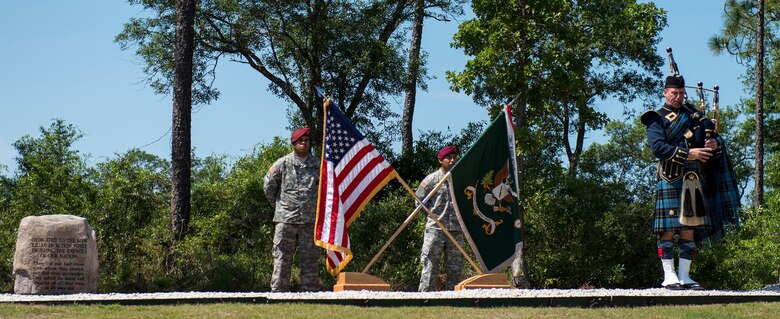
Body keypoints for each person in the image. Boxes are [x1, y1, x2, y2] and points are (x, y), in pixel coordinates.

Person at [641, 75, 739, 290]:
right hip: (670, 177)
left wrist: (713, 143)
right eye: (674, 93)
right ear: (665, 92)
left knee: (689, 228)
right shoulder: (655, 118)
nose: (678, 97)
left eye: (681, 93)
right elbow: (658, 148)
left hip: (694, 177)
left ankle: (685, 276)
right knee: (667, 229)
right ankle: (669, 276)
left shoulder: (694, 117)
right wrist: (689, 154)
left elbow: (706, 144)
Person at [263, 128, 321, 292]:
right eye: (300, 140)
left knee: (310, 258)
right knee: (282, 257)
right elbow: (268, 185)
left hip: (309, 221)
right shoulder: (282, 164)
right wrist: (278, 207)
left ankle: (310, 293)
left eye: (306, 141)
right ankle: (279, 293)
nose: (303, 143)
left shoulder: (318, 165)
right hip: (286, 219)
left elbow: (326, 189)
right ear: (293, 143)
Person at [417, 145, 465, 291]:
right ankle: (425, 299)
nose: (452, 160)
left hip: (456, 230)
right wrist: (432, 217)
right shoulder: (431, 180)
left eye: (454, 157)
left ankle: (453, 300)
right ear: (440, 160)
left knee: (455, 269)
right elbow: (418, 202)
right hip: (435, 230)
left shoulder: (461, 179)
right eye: (448, 158)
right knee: (430, 266)